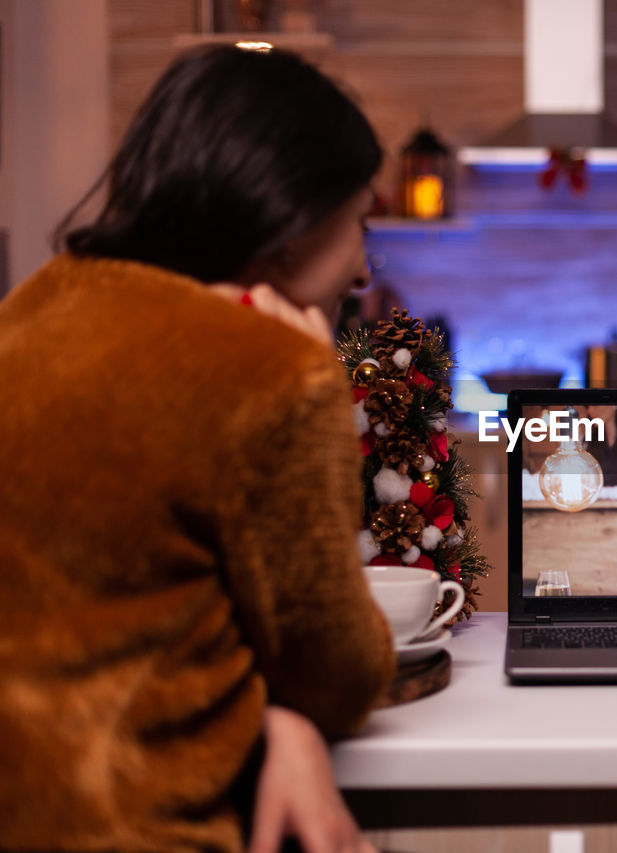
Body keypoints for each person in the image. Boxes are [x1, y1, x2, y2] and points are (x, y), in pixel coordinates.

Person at [0, 45, 397, 851]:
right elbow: (341, 674)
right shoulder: (274, 372)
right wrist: (294, 715)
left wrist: (274, 720)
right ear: (288, 230)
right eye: (359, 221)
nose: (363, 267)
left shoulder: (29, 311)